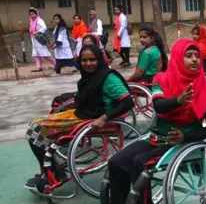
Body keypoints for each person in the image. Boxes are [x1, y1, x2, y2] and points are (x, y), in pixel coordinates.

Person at [106, 39, 206, 204]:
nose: (195, 59)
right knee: (116, 162)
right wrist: (178, 101)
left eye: (197, 56)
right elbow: (159, 106)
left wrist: (186, 136)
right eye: (189, 55)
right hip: (158, 137)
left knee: (139, 164)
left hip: (184, 143)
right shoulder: (161, 79)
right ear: (178, 57)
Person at [25, 45, 133, 192]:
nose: (88, 64)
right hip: (81, 114)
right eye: (84, 60)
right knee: (34, 128)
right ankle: (54, 171)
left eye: (92, 60)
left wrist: (104, 118)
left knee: (35, 130)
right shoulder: (90, 76)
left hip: (90, 119)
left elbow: (128, 102)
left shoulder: (109, 78)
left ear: (99, 59)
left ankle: (54, 173)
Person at [28, 8, 56, 72]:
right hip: (34, 39)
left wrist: (37, 32)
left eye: (33, 14)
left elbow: (44, 27)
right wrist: (31, 34)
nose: (32, 15)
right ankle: (39, 67)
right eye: (30, 14)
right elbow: (32, 30)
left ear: (36, 14)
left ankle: (56, 64)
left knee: (44, 54)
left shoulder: (39, 20)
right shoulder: (31, 22)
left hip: (40, 39)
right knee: (36, 55)